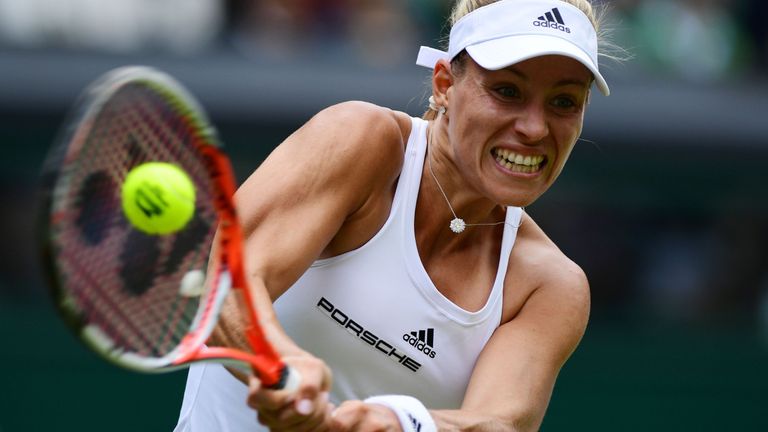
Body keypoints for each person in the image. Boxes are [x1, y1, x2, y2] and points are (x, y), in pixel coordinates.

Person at [174, 0, 613, 430]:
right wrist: (282, 366)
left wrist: (403, 423)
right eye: (507, 91)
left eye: (563, 102)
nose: (535, 128)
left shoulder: (550, 286)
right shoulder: (360, 140)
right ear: (444, 84)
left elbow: (502, 422)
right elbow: (230, 282)